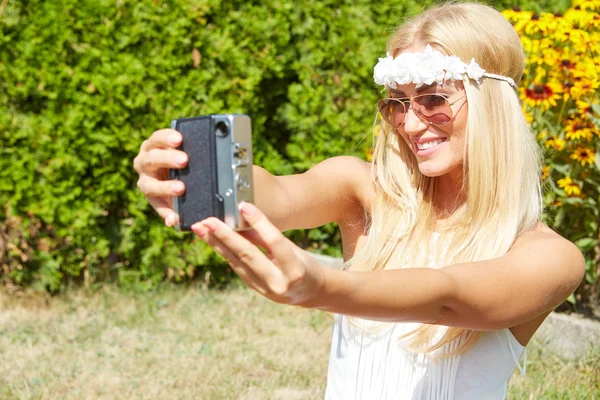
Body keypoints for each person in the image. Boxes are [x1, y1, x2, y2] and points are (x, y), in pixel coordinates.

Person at [133, 2, 585, 399]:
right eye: (397, 103)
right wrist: (186, 173)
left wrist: (323, 288)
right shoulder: (363, 192)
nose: (409, 125)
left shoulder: (550, 257)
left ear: (491, 105)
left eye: (432, 99)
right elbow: (279, 194)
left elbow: (447, 295)